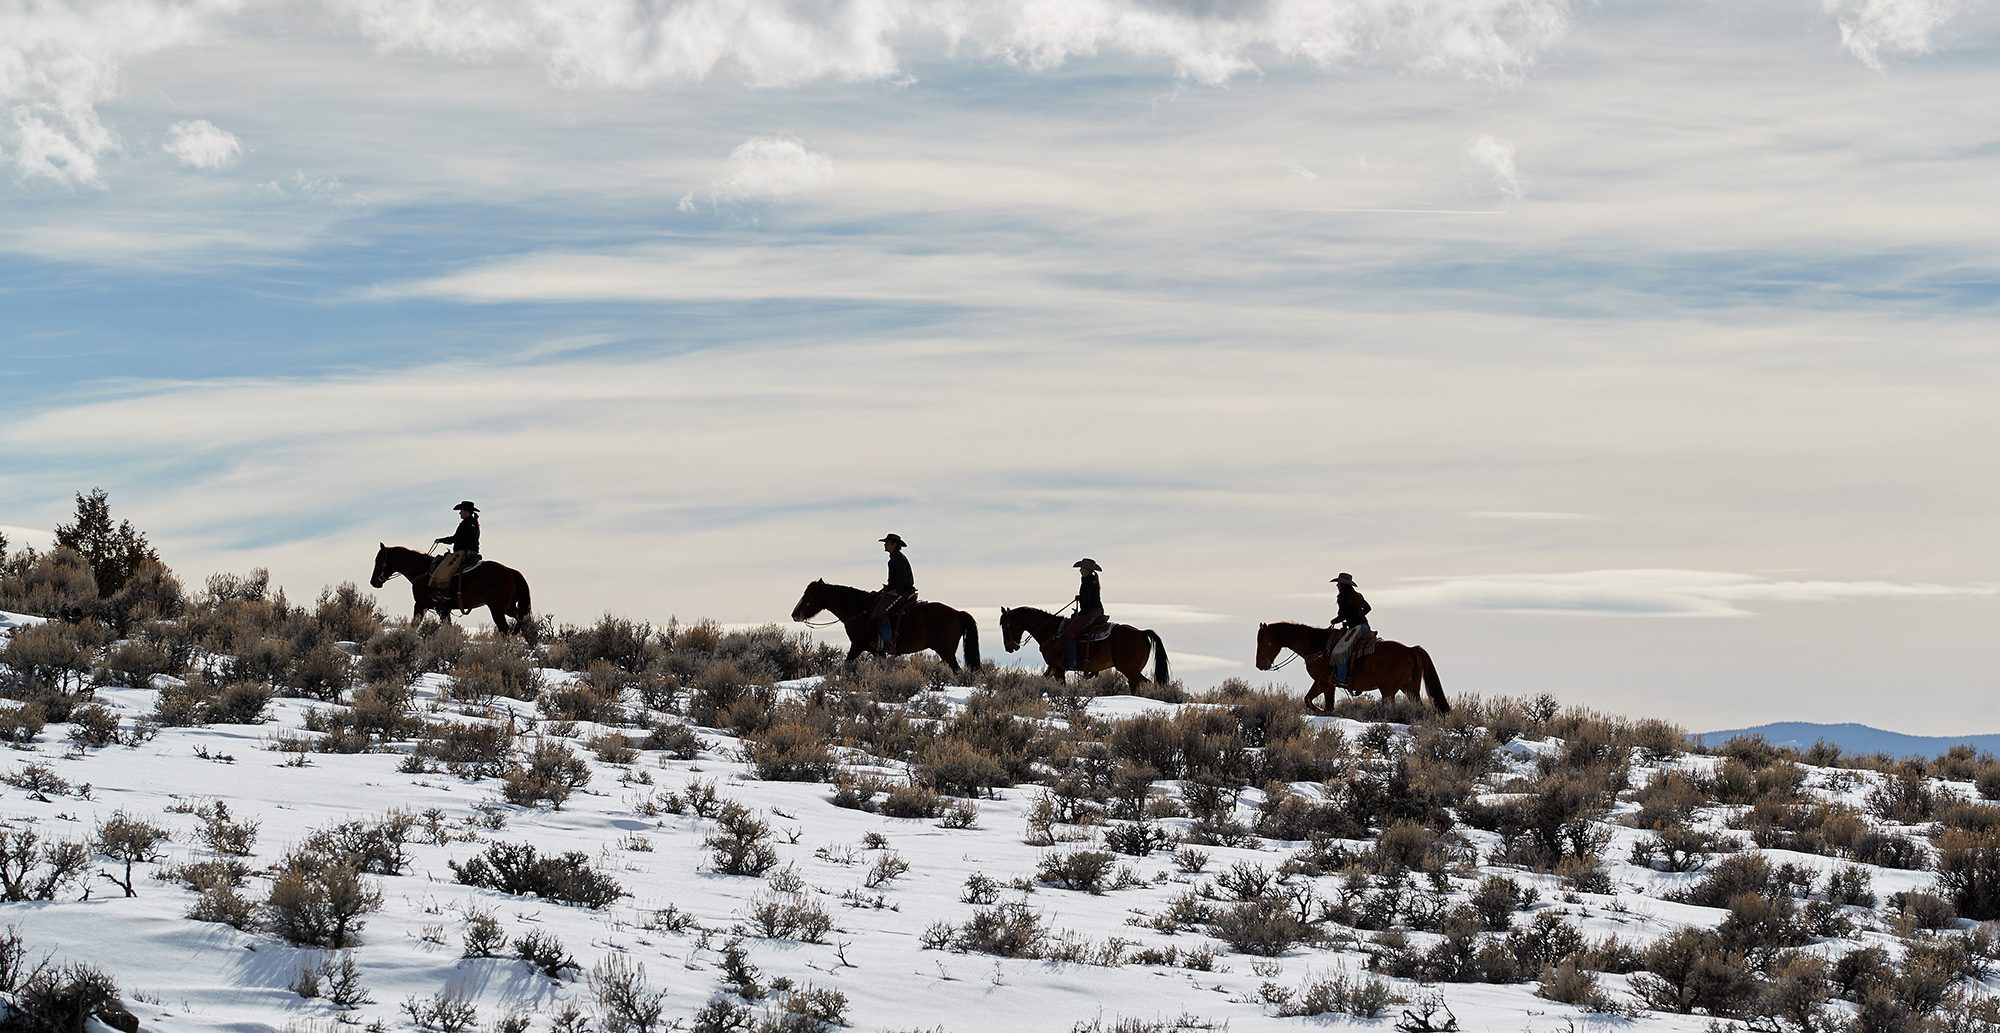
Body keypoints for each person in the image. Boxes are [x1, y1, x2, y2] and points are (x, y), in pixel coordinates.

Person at [869, 534, 916, 652]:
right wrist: (888, 588)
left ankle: (888, 642)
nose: (885, 544)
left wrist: (897, 591)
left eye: (887, 542)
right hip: (899, 590)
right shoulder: (895, 558)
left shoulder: (897, 559)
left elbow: (903, 578)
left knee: (881, 611)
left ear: (894, 544)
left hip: (902, 592)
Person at [1058, 558, 1107, 669]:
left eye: (1082, 568)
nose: (1080, 570)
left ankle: (1071, 661)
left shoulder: (1088, 581)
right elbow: (1090, 597)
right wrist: (1080, 598)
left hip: (1090, 611)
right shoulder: (1091, 580)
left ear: (1086, 569)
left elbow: (1087, 601)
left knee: (1069, 632)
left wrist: (1080, 612)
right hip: (1096, 610)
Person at [1327, 572, 1372, 688]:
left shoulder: (1342, 597)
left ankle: (1342, 679)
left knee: (1340, 653)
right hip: (1365, 626)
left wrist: (1334, 621)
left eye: (1338, 584)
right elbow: (1368, 608)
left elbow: (1342, 615)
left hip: (1356, 629)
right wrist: (1358, 616)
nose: (1337, 586)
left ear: (1343, 585)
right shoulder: (1358, 595)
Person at [430, 501, 481, 602]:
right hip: (473, 552)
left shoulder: (465, 524)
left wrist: (441, 540)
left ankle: (445, 594)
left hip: (464, 552)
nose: (459, 513)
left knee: (445, 567)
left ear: (466, 512)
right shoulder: (473, 523)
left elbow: (456, 538)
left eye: (461, 510)